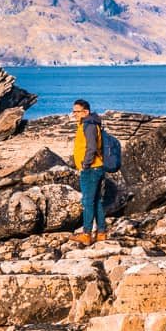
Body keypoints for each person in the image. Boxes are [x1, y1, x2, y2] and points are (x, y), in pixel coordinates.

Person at [71, 99, 108, 245]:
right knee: (97, 201)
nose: (74, 114)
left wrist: (85, 164)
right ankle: (101, 233)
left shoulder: (88, 125)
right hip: (96, 167)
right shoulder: (89, 123)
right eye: (73, 111)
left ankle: (86, 234)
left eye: (77, 111)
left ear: (85, 112)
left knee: (87, 201)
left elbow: (91, 147)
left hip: (91, 169)